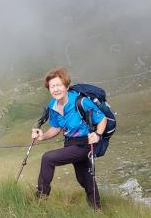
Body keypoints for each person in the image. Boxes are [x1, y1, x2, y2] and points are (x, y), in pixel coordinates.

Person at [31, 66, 107, 208]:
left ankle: (40, 198)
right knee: (84, 178)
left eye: (59, 85)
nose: (56, 89)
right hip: (70, 143)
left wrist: (97, 135)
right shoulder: (53, 105)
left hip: (85, 143)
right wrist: (42, 136)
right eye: (52, 86)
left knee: (48, 158)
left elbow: (102, 119)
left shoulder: (81, 102)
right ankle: (96, 209)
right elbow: (56, 127)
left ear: (66, 85)